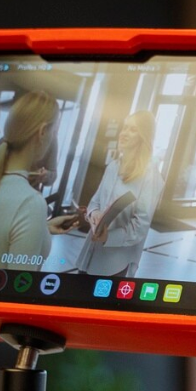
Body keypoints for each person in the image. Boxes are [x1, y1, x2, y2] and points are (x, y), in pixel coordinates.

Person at [0, 91, 58, 272]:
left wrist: (42, 228)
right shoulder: (30, 203)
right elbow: (19, 288)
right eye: (54, 130)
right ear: (43, 132)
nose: (54, 138)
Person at [65, 111, 163, 277]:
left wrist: (108, 237)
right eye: (125, 128)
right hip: (90, 256)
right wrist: (94, 214)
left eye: (133, 130)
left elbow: (140, 226)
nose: (124, 133)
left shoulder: (150, 176)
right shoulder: (113, 166)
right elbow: (95, 202)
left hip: (115, 264)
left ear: (143, 137)